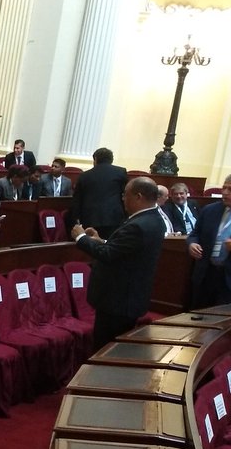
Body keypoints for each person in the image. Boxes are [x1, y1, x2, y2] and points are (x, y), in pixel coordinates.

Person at [71, 176, 165, 350]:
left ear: (138, 196)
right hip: (129, 298)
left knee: (105, 348)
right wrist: (101, 241)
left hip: (118, 301)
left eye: (125, 195)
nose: (123, 199)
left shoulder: (137, 225)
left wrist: (81, 237)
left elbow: (108, 255)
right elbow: (126, 250)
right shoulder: (155, 220)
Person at [187, 176, 231, 309]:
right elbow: (194, 234)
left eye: (230, 189)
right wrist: (192, 244)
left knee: (221, 323)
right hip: (206, 273)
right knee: (197, 315)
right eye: (224, 187)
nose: (225, 192)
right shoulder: (209, 210)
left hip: (228, 278)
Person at [71, 147, 127, 239]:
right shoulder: (120, 172)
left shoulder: (84, 176)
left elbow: (77, 200)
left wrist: (77, 220)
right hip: (114, 217)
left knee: (92, 247)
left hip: (90, 219)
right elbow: (125, 195)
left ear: (95, 159)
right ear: (111, 160)